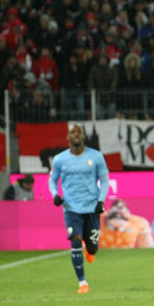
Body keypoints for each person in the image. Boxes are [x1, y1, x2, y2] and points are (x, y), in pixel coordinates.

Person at [48, 124, 109, 294]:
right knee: (75, 238)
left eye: (79, 132)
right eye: (72, 133)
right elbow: (52, 180)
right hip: (71, 207)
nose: (75, 135)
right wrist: (55, 195)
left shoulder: (96, 157)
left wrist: (101, 201)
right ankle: (82, 282)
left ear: (84, 137)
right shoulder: (60, 159)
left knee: (92, 248)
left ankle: (89, 249)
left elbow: (104, 180)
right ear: (67, 137)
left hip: (91, 207)